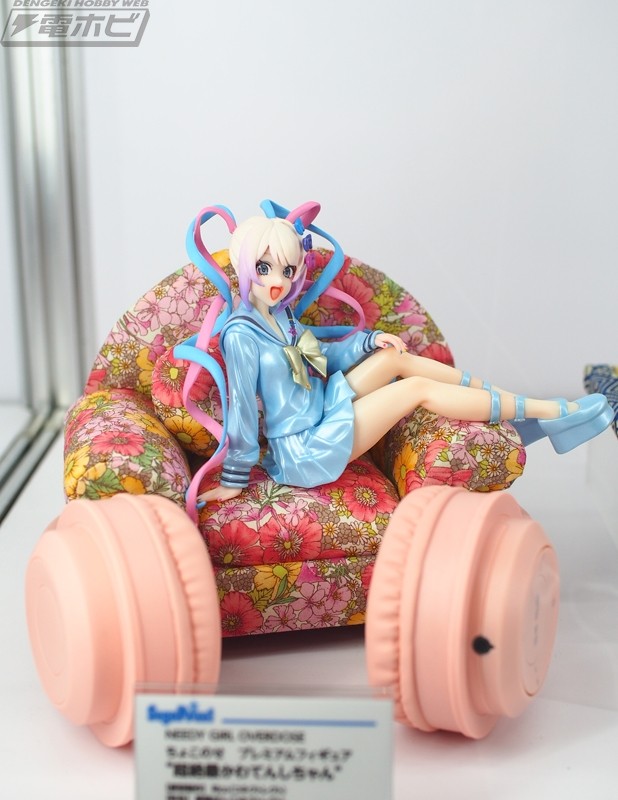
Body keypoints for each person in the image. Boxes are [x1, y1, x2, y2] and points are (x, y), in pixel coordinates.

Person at [177, 201, 613, 515]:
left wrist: (370, 342)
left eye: (287, 270)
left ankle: (527, 410)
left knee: (394, 359)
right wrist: (234, 478)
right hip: (306, 447)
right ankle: (548, 412)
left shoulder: (283, 317)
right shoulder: (241, 334)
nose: (278, 280)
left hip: (324, 406)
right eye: (265, 268)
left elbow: (321, 356)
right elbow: (241, 411)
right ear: (245, 266)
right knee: (415, 389)